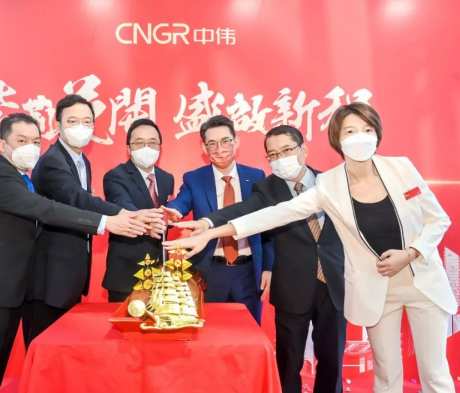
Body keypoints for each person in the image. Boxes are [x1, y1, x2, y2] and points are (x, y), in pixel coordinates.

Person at [166, 103, 458, 393]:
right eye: (350, 131)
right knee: (385, 375)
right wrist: (210, 230)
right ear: (337, 140)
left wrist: (411, 252)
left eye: (367, 129)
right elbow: (272, 215)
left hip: (417, 281)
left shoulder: (400, 168)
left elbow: (438, 219)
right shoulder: (329, 184)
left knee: (434, 374)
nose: (360, 137)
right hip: (371, 287)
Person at [0, 113, 147, 393]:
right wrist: (105, 222)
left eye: (35, 141)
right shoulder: (2, 178)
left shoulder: (21, 179)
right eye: (21, 141)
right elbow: (47, 209)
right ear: (2, 144)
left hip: (9, 293)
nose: (30, 148)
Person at [179, 125, 346, 393]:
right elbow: (242, 211)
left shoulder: (334, 182)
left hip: (334, 285)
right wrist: (208, 223)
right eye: (273, 154)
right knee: (289, 362)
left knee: (332, 360)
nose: (280, 158)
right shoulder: (267, 188)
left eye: (287, 150)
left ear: (303, 149)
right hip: (292, 286)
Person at [23, 95, 163, 348]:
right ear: (57, 125)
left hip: (69, 272)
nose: (81, 127)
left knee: (65, 352)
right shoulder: (52, 162)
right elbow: (77, 199)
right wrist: (125, 214)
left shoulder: (81, 161)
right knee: (44, 349)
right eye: (73, 121)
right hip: (50, 275)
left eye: (87, 121)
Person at [165, 115, 273, 325]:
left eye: (225, 141)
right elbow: (181, 201)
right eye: (212, 143)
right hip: (210, 271)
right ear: (204, 148)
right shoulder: (194, 178)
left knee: (250, 333)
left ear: (236, 141)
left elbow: (267, 224)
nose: (219, 149)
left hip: (249, 270)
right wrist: (174, 210)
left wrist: (268, 267)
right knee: (209, 332)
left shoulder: (256, 176)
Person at [102, 118, 175, 302]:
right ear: (129, 148)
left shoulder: (167, 178)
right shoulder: (115, 176)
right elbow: (123, 206)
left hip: (160, 272)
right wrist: (149, 224)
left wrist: (171, 219)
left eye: (152, 142)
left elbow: (165, 217)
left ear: (160, 147)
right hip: (127, 273)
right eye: (139, 143)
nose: (146, 148)